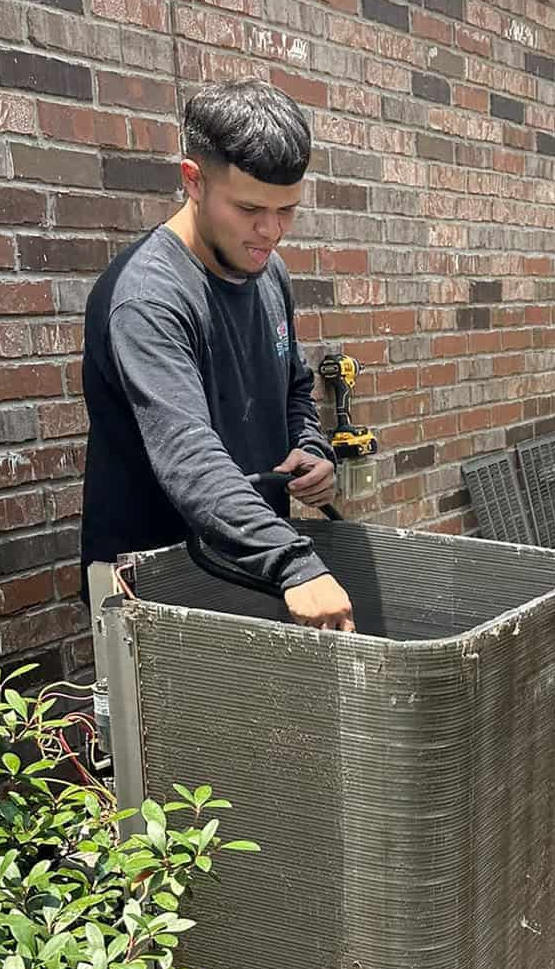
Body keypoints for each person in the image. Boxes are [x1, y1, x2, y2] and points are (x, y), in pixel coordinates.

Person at [79, 80, 354, 631]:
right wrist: (295, 562)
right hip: (157, 594)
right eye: (251, 208)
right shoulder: (148, 300)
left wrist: (308, 447)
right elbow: (188, 453)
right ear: (193, 180)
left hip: (251, 572)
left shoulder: (267, 270)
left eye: (287, 210)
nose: (271, 231)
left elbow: (293, 384)